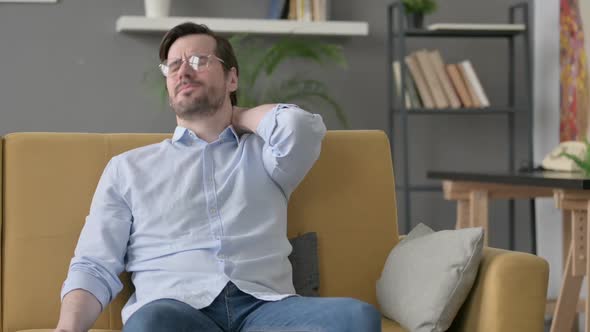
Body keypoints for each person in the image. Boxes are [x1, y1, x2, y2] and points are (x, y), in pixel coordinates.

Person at [54, 22, 381, 332]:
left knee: (356, 317)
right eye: (173, 65)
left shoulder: (266, 155)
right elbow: (95, 264)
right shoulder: (127, 169)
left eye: (198, 60)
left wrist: (236, 115)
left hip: (265, 311)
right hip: (177, 312)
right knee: (150, 322)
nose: (183, 70)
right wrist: (68, 328)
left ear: (232, 78)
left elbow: (299, 129)